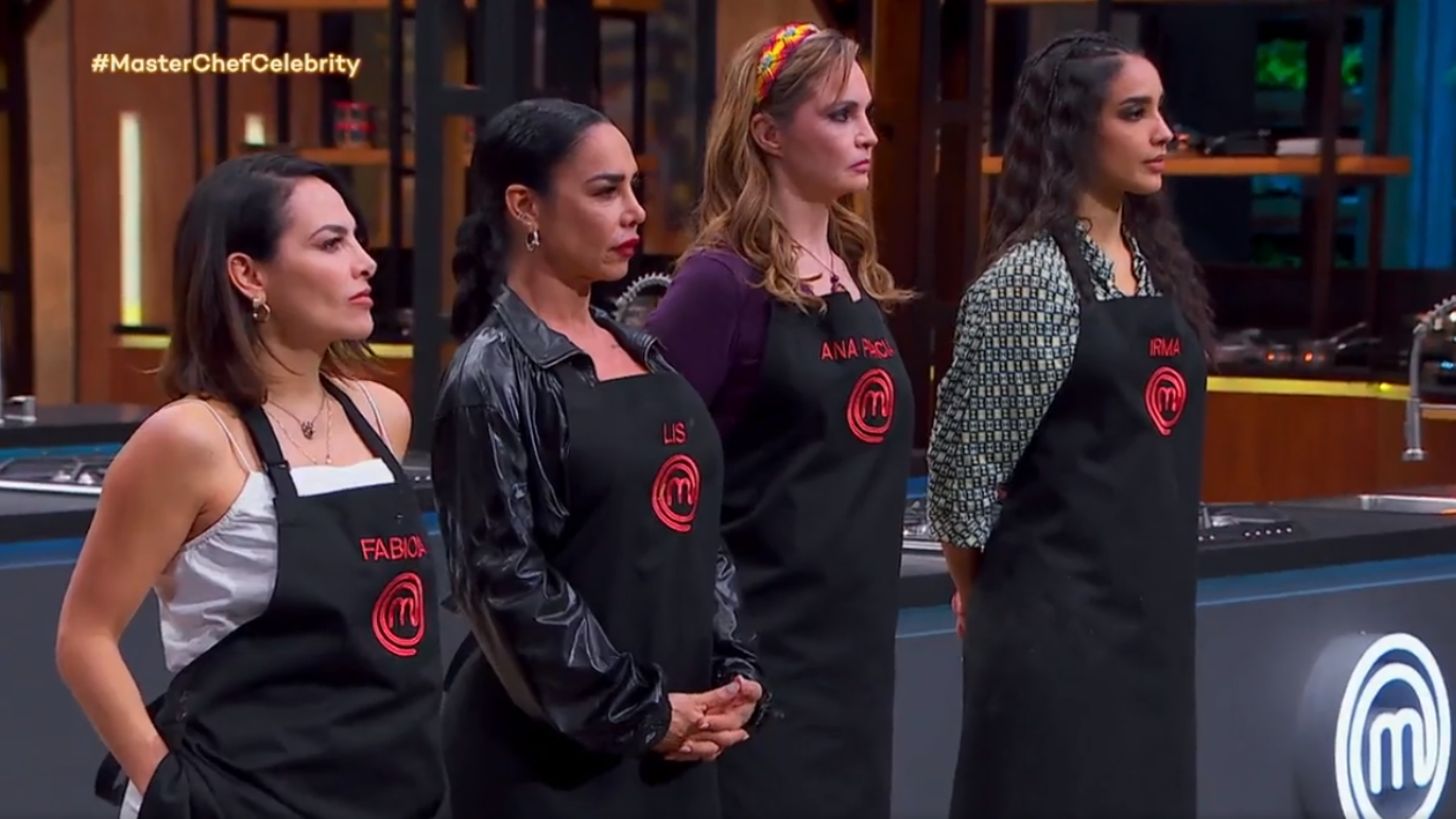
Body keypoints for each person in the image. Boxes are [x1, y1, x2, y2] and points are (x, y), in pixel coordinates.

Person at [55, 151, 447, 818]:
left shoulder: (384, 415)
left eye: (357, 239)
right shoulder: (189, 439)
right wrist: (172, 789)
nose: (366, 262)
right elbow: (84, 636)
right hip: (240, 798)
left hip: (392, 794)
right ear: (248, 274)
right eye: (331, 243)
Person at [430, 97, 768, 819]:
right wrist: (641, 711)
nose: (636, 211)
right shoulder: (491, 376)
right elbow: (505, 580)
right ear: (526, 206)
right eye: (606, 190)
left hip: (679, 749)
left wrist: (731, 667)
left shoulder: (645, 353)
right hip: (553, 770)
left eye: (633, 187)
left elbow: (698, 538)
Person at [927, 30, 1215, 819]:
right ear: (1074, 130)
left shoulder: (1156, 272)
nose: (1164, 132)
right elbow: (959, 482)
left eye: (1161, 111)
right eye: (1135, 112)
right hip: (1051, 645)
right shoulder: (1030, 282)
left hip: (1152, 636)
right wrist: (983, 599)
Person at [645, 23, 915, 819]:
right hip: (754, 665)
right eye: (840, 114)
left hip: (855, 662)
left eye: (867, 113)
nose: (867, 135)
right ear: (768, 132)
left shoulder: (855, 275)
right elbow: (642, 465)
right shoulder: (718, 285)